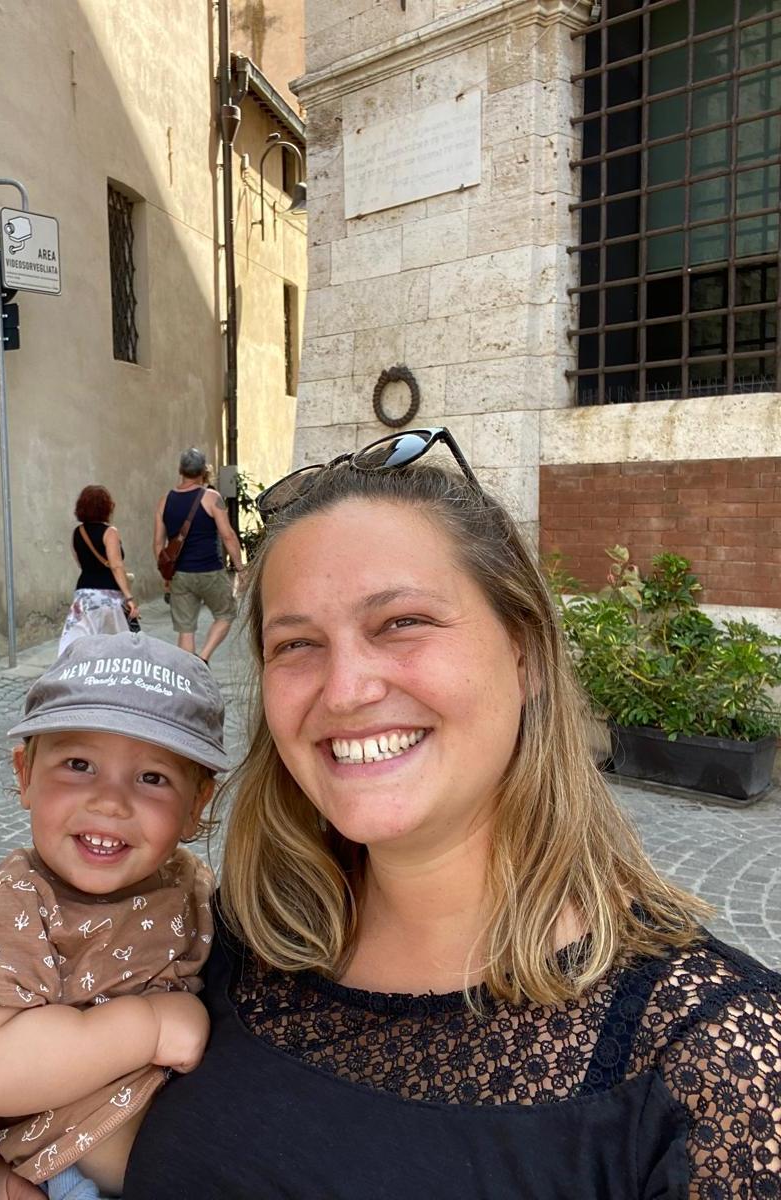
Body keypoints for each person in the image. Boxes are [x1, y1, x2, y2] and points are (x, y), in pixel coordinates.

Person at [123, 428, 781, 1198]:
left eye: (401, 623)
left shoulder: (720, 1060)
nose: (345, 691)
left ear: (524, 653)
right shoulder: (235, 940)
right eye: (296, 644)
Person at [0, 631, 227, 1200]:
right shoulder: (12, 902)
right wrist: (150, 1027)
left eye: (152, 778)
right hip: (70, 1175)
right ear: (25, 774)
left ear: (196, 805)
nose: (110, 802)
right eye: (79, 764)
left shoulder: (190, 884)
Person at [153, 448, 244, 664]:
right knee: (225, 614)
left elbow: (157, 544)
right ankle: (203, 658)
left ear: (180, 470)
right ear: (204, 471)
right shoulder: (212, 498)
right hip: (210, 571)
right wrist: (240, 568)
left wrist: (167, 574)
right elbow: (228, 536)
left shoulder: (165, 500)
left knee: (186, 630)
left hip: (180, 574)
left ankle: (189, 670)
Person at [59, 485, 139, 655]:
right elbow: (116, 566)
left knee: (80, 641)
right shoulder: (110, 532)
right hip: (108, 594)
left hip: (84, 593)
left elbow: (80, 562)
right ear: (106, 507)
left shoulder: (77, 532)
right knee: (114, 646)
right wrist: (129, 597)